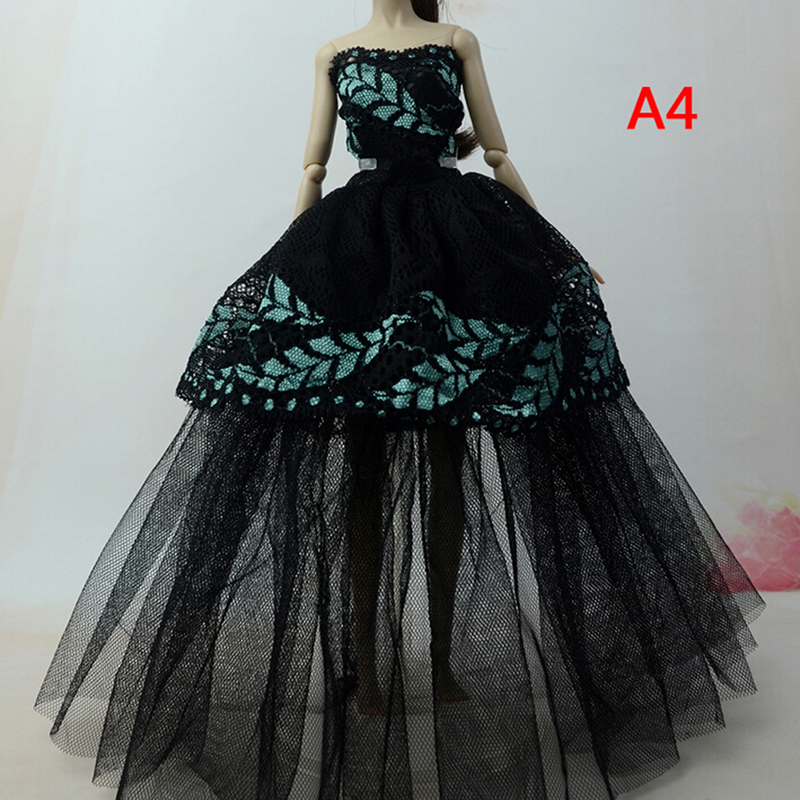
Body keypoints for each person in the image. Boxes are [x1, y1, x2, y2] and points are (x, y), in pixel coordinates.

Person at [34, 1, 765, 798]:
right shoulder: (334, 52)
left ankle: (443, 660)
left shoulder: (455, 42)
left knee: (447, 468)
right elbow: (312, 170)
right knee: (365, 481)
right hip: (359, 255)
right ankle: (367, 668)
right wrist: (288, 278)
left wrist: (561, 249)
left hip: (457, 254)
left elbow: (497, 152)